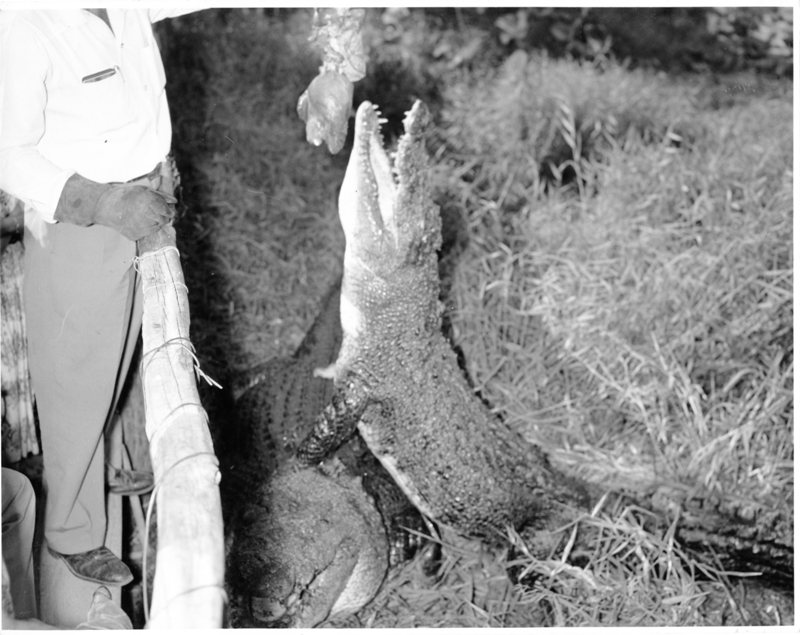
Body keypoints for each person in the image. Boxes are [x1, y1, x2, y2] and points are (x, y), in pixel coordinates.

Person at [0, 7, 363, 589]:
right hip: (82, 225)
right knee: (77, 383)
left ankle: (125, 472)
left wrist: (336, 44)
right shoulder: (26, 25)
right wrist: (102, 204)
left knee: (131, 360)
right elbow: (8, 152)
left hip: (147, 206)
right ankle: (70, 535)